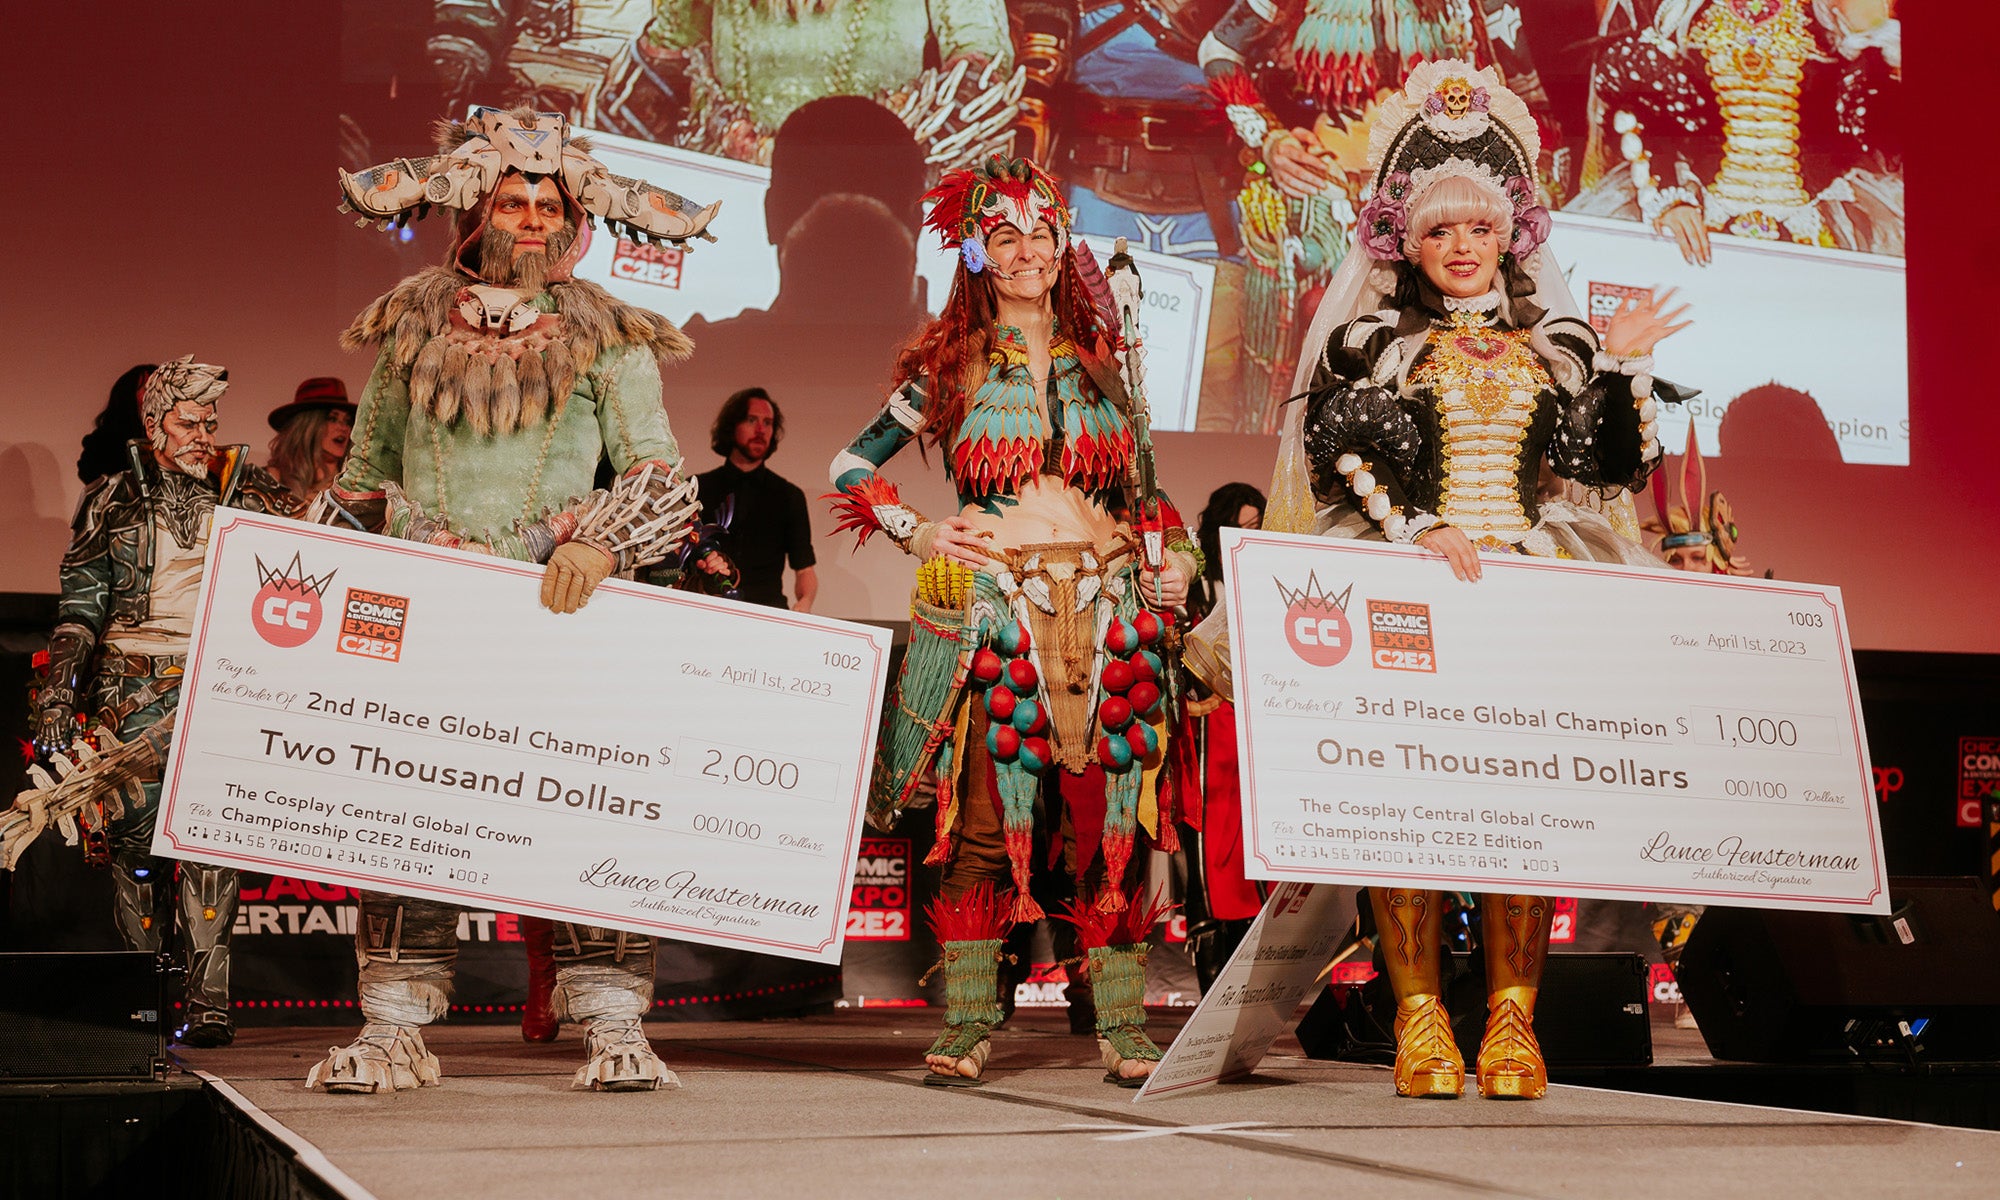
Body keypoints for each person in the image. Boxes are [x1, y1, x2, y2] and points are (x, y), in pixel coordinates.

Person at [1278, 61, 1691, 1099]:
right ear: (1401, 246)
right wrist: (1416, 526)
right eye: (1437, 232)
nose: (1461, 249)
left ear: (1508, 239)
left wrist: (1621, 367)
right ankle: (1418, 1014)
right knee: (1406, 805)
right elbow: (1343, 445)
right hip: (1411, 586)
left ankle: (1513, 1018)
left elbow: (1601, 467)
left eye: (1478, 230)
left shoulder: (1551, 342)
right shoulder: (1377, 341)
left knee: (1521, 812)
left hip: (1523, 586)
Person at [310, 104, 721, 1094]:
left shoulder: (608, 335)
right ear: (477, 208)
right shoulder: (412, 320)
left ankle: (613, 1023)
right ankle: (394, 1025)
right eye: (512, 198)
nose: (532, 217)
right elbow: (361, 479)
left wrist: (606, 547)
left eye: (548, 200)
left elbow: (660, 476)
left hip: (559, 615)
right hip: (427, 612)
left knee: (581, 815)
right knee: (404, 821)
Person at [827, 155, 1197, 1087]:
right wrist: (919, 531)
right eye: (1005, 236)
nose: (1026, 250)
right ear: (978, 253)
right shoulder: (945, 366)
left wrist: (1178, 561)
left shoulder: (1107, 361)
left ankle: (1121, 1021)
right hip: (1001, 607)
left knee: (1112, 824)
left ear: (1061, 243)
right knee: (986, 826)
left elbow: (1148, 494)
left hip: (1111, 603)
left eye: (1040, 234)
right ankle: (968, 1025)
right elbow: (846, 465)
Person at [34, 356, 298, 1047]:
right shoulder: (113, 498)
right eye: (188, 420)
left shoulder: (251, 495)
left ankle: (208, 998)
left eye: (211, 420)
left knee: (212, 839)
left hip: (218, 683)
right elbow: (80, 606)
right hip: (128, 686)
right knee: (131, 844)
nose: (203, 432)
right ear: (154, 422)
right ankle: (145, 987)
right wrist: (60, 695)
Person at [1171, 482, 1266, 992]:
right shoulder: (1198, 585)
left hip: (1255, 730)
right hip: (1208, 733)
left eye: (1258, 528)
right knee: (1208, 846)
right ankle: (1210, 963)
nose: (1250, 536)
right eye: (1242, 527)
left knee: (1255, 850)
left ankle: (1255, 967)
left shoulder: (1268, 578)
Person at [696, 388, 817, 611]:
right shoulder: (696, 489)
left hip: (769, 615)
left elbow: (804, 570)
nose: (761, 430)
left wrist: (805, 602)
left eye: (768, 423)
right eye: (752, 420)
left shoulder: (790, 496)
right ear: (732, 426)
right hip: (707, 612)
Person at [264, 376, 356, 503]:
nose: (344, 428)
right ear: (309, 427)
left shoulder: (351, 488)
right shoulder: (273, 479)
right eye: (332, 419)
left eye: (347, 421)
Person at [75, 365, 157, 486]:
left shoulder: (178, 435)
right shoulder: (104, 440)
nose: (156, 394)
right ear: (128, 396)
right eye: (148, 388)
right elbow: (89, 473)